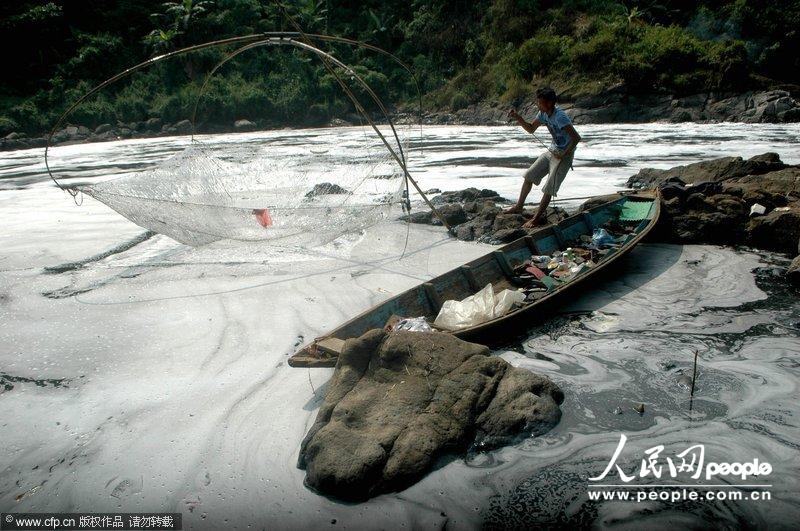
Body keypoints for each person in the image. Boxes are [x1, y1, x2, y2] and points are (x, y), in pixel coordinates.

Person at [505, 87, 581, 227]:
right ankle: (519, 206)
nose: (538, 105)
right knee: (529, 175)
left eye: (540, 103)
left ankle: (535, 219)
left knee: (549, 187)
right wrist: (517, 117)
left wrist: (564, 154)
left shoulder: (560, 116)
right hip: (552, 151)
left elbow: (576, 138)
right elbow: (531, 129)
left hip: (564, 156)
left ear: (550, 103)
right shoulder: (543, 114)